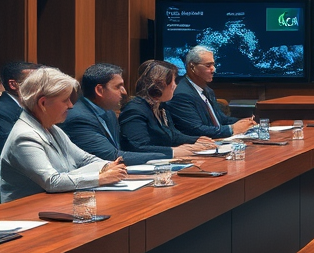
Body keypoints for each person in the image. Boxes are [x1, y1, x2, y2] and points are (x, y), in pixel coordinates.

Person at [1, 66, 128, 204]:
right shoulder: (24, 137)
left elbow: (84, 159)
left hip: (54, 205)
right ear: (43, 103)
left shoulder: (52, 128)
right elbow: (52, 181)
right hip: (25, 213)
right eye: (65, 100)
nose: (71, 105)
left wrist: (108, 166)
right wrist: (101, 178)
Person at [63, 62, 208, 163]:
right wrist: (172, 154)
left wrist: (194, 142)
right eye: (118, 87)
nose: (124, 92)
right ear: (100, 90)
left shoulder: (108, 112)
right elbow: (112, 155)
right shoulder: (80, 118)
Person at [119, 61, 216, 152]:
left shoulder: (161, 105)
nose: (175, 85)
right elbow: (138, 147)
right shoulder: (134, 110)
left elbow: (172, 135)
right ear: (160, 84)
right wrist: (176, 151)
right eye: (173, 81)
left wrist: (196, 140)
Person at [166, 47, 255, 138]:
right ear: (192, 67)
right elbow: (195, 129)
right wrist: (231, 129)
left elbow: (221, 120)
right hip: (200, 145)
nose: (214, 70)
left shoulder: (207, 90)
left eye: (213, 65)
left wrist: (245, 123)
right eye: (208, 66)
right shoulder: (181, 94)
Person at [0, 60, 41, 152]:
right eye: (34, 82)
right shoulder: (2, 112)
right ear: (13, 85)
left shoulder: (35, 107)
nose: (41, 86)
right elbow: (14, 148)